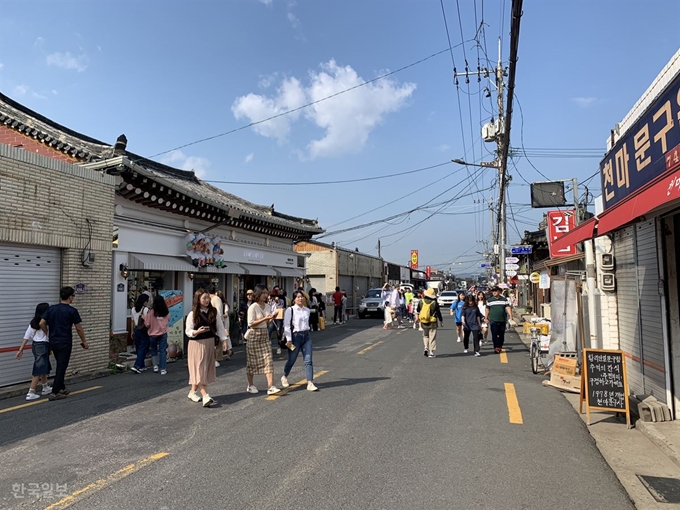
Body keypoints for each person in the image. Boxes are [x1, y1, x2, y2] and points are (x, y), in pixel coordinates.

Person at [40, 286, 89, 401]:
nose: (73, 298)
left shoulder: (51, 308)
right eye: (73, 296)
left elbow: (42, 323)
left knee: (60, 363)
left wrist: (47, 333)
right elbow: (78, 328)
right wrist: (84, 341)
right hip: (65, 341)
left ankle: (61, 387)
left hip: (53, 341)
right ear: (69, 297)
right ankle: (55, 391)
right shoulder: (72, 311)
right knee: (62, 366)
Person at [185, 291, 228, 407]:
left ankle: (192, 392)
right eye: (204, 298)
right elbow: (188, 331)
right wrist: (196, 332)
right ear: (198, 299)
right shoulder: (193, 313)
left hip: (209, 342)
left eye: (208, 298)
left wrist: (224, 340)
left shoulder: (214, 312)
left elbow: (220, 327)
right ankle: (205, 395)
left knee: (203, 369)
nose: (207, 300)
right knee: (198, 369)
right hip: (196, 343)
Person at [245, 285, 281, 395]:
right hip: (254, 335)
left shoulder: (267, 306)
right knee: (252, 362)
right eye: (264, 293)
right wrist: (265, 318)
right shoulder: (253, 307)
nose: (266, 295)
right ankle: (250, 385)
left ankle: (270, 386)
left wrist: (271, 319)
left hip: (264, 335)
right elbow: (250, 323)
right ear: (258, 294)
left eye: (267, 293)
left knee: (268, 360)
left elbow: (266, 323)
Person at [281, 290, 318, 392]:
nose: (300, 299)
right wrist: (288, 340)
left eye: (301, 297)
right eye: (297, 297)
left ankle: (310, 382)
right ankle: (284, 376)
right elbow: (287, 326)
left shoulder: (306, 310)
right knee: (292, 359)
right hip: (295, 337)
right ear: (294, 299)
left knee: (308, 360)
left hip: (306, 336)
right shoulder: (290, 310)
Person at [16, 302, 52, 400]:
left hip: (36, 346)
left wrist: (21, 349)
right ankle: (31, 392)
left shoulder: (33, 322)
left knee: (44, 366)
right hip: (42, 346)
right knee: (39, 368)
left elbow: (26, 337)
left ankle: (45, 387)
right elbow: (48, 335)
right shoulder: (45, 322)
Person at [145, 295, 170, 375]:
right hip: (163, 333)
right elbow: (168, 319)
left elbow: (147, 324)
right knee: (162, 351)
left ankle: (155, 366)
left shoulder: (151, 312)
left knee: (154, 349)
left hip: (152, 334)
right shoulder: (166, 311)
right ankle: (163, 369)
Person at [485, 286, 514, 353]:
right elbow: (487, 309)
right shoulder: (490, 300)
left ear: (499, 292)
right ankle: (496, 347)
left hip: (502, 319)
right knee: (494, 334)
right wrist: (486, 317)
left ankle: (500, 346)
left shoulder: (504, 300)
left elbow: (508, 308)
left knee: (501, 334)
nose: (494, 292)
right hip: (493, 319)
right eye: (493, 291)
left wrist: (511, 316)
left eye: (495, 291)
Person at [416, 288, 443, 358]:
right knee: (432, 337)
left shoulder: (421, 301)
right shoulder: (434, 303)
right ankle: (431, 352)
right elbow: (438, 312)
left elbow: (418, 310)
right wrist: (441, 320)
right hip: (433, 322)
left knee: (425, 335)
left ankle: (426, 347)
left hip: (424, 321)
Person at [130, 294, 150, 374]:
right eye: (147, 301)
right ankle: (137, 366)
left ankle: (142, 365)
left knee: (138, 348)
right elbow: (148, 321)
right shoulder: (145, 309)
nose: (147, 303)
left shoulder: (133, 309)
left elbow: (132, 321)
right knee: (143, 348)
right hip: (143, 330)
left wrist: (132, 331)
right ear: (144, 301)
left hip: (136, 330)